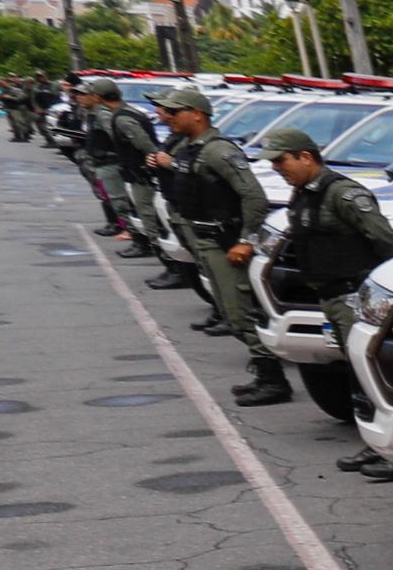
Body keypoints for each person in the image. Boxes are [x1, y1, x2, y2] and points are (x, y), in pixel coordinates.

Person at [264, 122, 393, 468]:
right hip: (330, 296)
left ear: (306, 157)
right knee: (355, 372)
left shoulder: (343, 194)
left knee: (367, 376)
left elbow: (389, 243)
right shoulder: (303, 192)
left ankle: (391, 453)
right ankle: (378, 445)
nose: (277, 169)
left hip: (351, 296)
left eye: (281, 161)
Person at [152, 85, 291, 404]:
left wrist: (245, 240)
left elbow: (254, 196)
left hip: (224, 242)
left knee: (240, 314)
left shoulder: (218, 151)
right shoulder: (189, 148)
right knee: (230, 314)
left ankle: (274, 380)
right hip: (205, 240)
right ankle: (264, 371)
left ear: (197, 115)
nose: (167, 117)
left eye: (175, 112)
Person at [73, 78, 165, 258]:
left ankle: (146, 244)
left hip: (127, 168)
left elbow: (141, 142)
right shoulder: (111, 112)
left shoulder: (115, 115)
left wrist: (153, 157)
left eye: (87, 94)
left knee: (132, 207)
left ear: (97, 97)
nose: (80, 98)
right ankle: (143, 241)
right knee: (134, 207)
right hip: (127, 167)